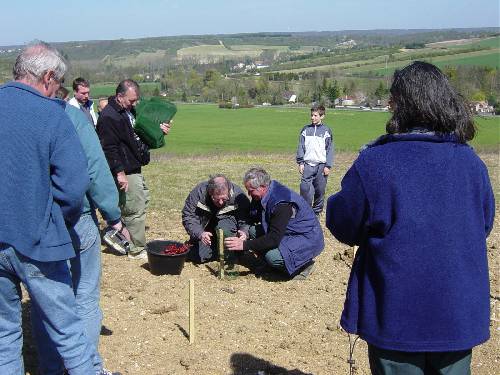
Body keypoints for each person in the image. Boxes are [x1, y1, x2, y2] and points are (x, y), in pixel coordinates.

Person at [325, 61, 495, 375]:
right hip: (456, 316)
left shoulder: (376, 163)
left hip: (396, 317)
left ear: (402, 105)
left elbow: (342, 222)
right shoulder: (471, 163)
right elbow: (483, 224)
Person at [0, 42, 95, 374]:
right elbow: (73, 187)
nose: (58, 91)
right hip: (38, 241)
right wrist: (58, 222)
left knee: (3, 335)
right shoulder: (53, 115)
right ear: (48, 75)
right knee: (69, 332)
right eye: (58, 83)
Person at [31, 102, 127, 374]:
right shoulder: (70, 116)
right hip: (76, 217)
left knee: (44, 299)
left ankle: (51, 368)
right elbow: (94, 168)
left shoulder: (11, 111)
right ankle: (83, 368)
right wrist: (113, 214)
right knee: (84, 295)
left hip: (31, 219)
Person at [96, 79, 171, 259]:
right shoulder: (109, 116)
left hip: (135, 166)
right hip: (125, 170)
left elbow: (140, 134)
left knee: (142, 200)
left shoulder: (129, 111)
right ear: (120, 96)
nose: (134, 103)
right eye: (131, 100)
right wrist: (119, 172)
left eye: (136, 100)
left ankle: (122, 234)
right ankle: (136, 249)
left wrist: (159, 130)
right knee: (134, 209)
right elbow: (109, 148)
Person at [225, 167, 324, 280]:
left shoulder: (281, 204)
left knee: (272, 257)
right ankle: (273, 265)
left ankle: (303, 266)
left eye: (251, 190)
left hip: (306, 237)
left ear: (262, 187)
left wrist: (244, 245)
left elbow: (273, 239)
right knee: (252, 231)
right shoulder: (264, 193)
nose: (249, 194)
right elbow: (254, 216)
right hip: (287, 231)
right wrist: (244, 232)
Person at [182, 174, 250, 263]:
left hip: (227, 230)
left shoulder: (238, 195)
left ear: (229, 190)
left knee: (224, 227)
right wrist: (200, 233)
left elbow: (246, 218)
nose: (221, 202)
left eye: (224, 199)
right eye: (217, 199)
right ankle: (220, 251)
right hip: (206, 232)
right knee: (198, 256)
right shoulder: (198, 193)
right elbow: (189, 216)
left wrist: (244, 232)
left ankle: (230, 251)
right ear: (210, 193)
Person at [296, 104, 334, 215]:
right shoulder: (305, 130)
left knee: (320, 190)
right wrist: (301, 162)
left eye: (315, 115)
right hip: (307, 164)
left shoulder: (326, 131)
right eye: (311, 115)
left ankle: (316, 212)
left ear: (322, 116)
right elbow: (301, 146)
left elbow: (330, 149)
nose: (312, 118)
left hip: (321, 166)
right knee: (305, 189)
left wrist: (328, 165)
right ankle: (306, 211)